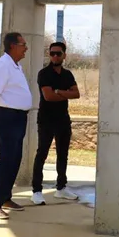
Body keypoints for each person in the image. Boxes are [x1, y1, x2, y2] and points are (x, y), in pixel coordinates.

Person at [0, 32, 33, 219]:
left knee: (15, 159)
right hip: (7, 117)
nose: (26, 48)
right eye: (23, 44)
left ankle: (6, 197)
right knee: (6, 160)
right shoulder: (4, 64)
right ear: (12, 45)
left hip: (19, 117)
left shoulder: (16, 65)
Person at [32, 41, 80, 204]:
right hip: (46, 120)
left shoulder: (67, 74)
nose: (54, 56)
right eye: (52, 53)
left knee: (63, 154)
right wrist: (65, 93)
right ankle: (36, 191)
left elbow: (77, 94)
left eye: (58, 53)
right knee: (42, 153)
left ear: (64, 55)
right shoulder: (44, 74)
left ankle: (61, 188)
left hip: (63, 119)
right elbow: (48, 96)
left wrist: (58, 91)